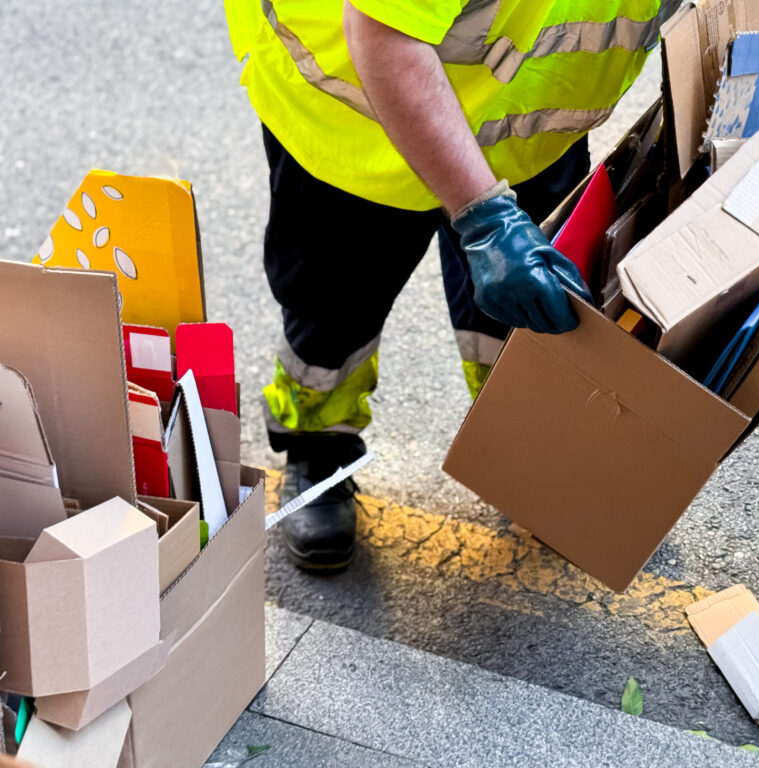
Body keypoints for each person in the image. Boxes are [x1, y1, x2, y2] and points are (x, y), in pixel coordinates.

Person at [224, 0, 675, 569]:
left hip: (524, 120)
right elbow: (382, 36)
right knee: (331, 308)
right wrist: (485, 218)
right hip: (355, 116)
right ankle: (319, 451)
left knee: (530, 310)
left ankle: (524, 453)